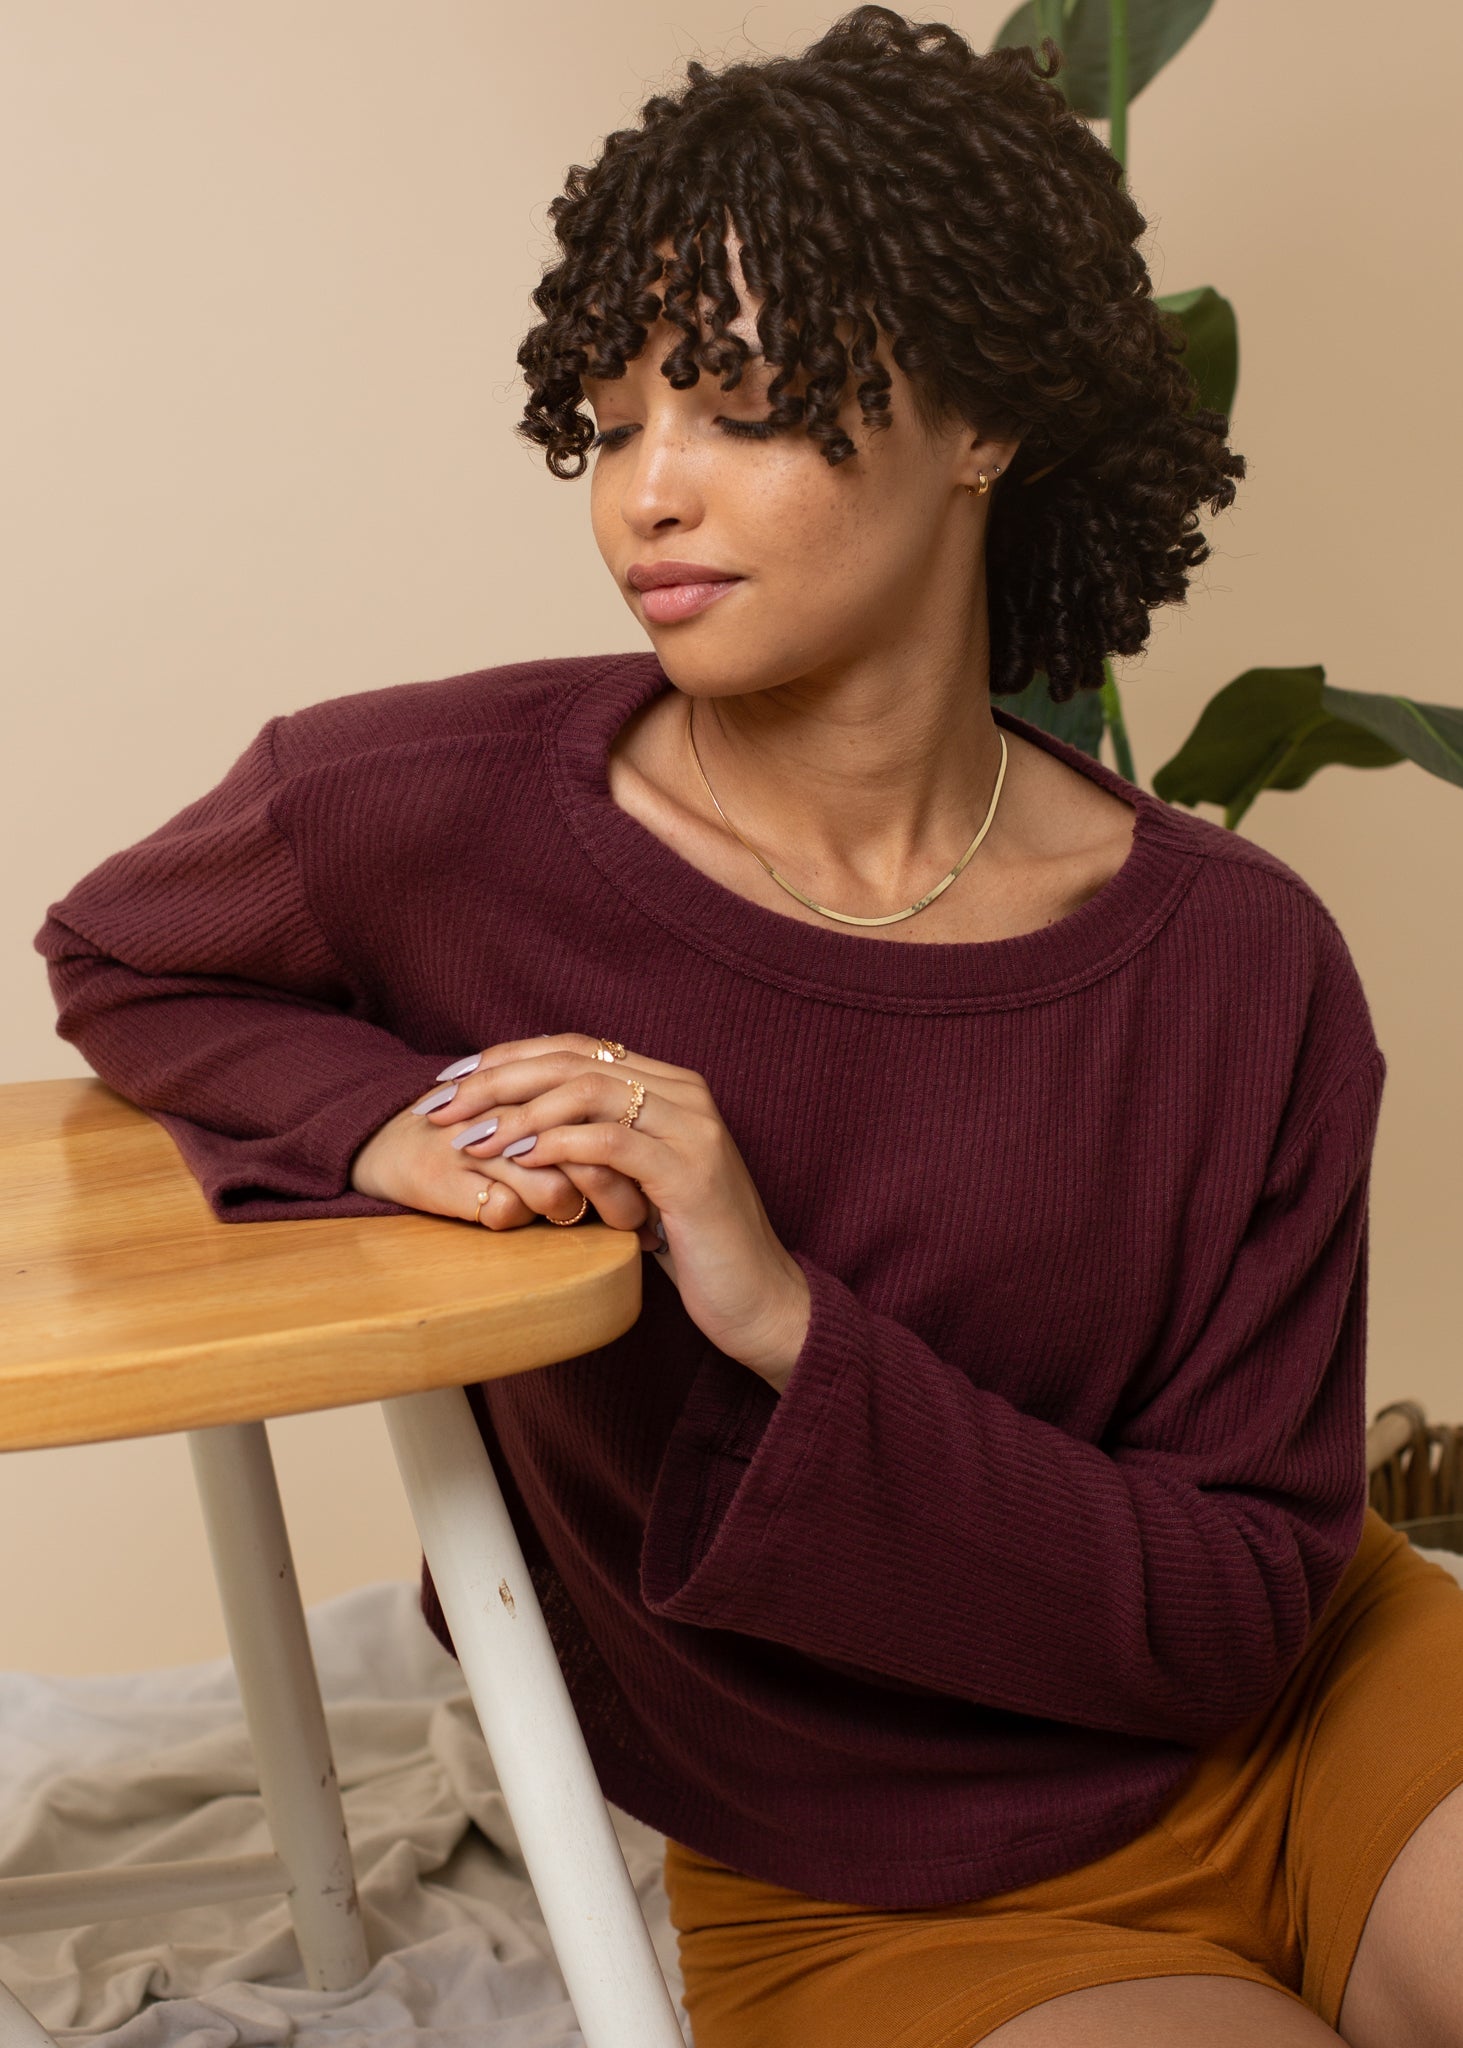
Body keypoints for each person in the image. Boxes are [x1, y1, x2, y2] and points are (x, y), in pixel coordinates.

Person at [33, 9, 1463, 2045]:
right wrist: (393, 1124)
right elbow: (118, 951)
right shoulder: (429, 812)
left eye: (739, 407)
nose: (649, 493)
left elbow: (1242, 1606)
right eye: (613, 421)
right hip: (873, 1875)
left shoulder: (1241, 962)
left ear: (984, 426)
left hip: (1325, 1719)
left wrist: (788, 1319)